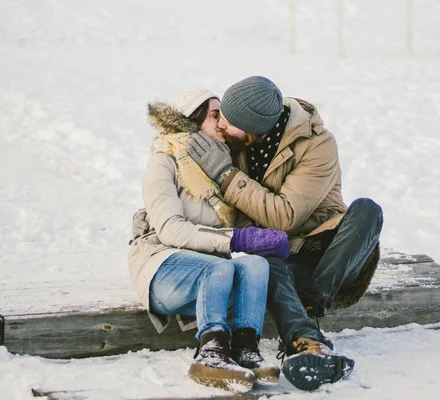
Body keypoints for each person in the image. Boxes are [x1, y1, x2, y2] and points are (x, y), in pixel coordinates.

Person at [132, 77, 383, 391]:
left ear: (252, 133)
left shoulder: (315, 145)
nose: (222, 125)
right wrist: (244, 237)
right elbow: (215, 222)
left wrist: (226, 175)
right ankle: (302, 344)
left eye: (226, 120)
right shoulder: (205, 153)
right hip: (272, 256)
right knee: (261, 263)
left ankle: (302, 311)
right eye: (217, 116)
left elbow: (284, 217)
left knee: (367, 210)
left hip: (328, 252)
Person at [128, 89, 287, 393]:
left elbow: (239, 221)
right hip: (160, 267)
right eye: (215, 115)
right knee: (218, 268)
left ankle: (245, 349)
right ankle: (211, 352)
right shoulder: (164, 160)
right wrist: (238, 238)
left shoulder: (217, 164)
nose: (221, 123)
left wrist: (267, 235)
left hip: (208, 273)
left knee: (255, 265)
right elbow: (170, 229)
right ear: (192, 120)